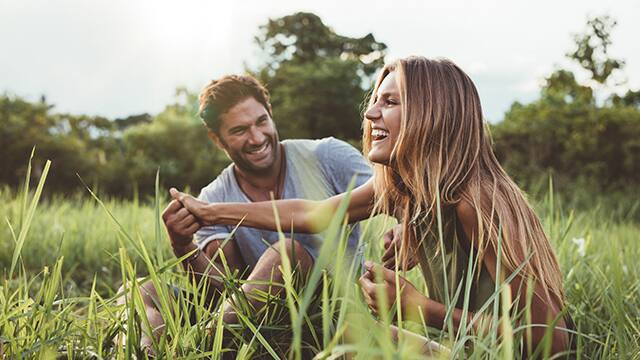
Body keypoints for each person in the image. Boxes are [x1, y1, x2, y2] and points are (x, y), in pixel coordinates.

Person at [171, 57, 574, 355]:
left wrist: (420, 308)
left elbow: (553, 340)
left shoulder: (478, 201)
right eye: (375, 101)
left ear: (432, 113)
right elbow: (313, 215)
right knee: (340, 330)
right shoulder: (407, 189)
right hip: (467, 346)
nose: (370, 113)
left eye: (390, 102)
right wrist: (210, 213)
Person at [121, 74, 371, 351]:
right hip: (257, 321)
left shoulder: (327, 155)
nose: (256, 137)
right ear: (217, 139)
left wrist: (401, 227)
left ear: (270, 113)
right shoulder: (213, 196)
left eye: (261, 122)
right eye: (239, 131)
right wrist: (182, 246)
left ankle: (195, 350)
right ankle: (149, 350)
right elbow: (221, 290)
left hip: (330, 314)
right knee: (141, 289)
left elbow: (392, 195)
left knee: (287, 254)